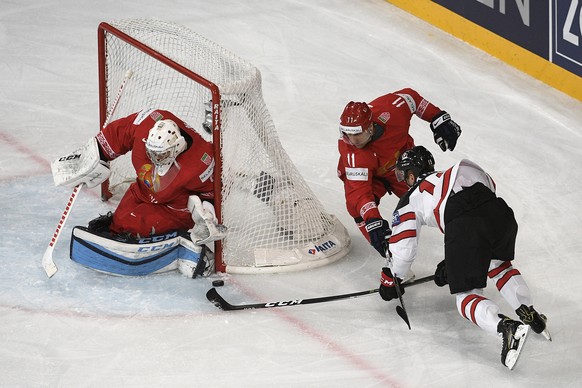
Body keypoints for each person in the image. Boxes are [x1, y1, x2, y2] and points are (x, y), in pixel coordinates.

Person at [378, 146, 550, 370]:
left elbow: (404, 248)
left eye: (404, 175)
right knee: (499, 265)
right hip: (498, 212)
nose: (404, 181)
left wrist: (392, 278)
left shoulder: (410, 199)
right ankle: (530, 313)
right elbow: (486, 191)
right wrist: (456, 260)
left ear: (411, 175)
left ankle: (507, 327)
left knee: (466, 296)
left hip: (465, 223)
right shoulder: (452, 174)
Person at [50, 108, 225, 278]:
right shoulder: (146, 123)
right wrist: (92, 157)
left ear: (177, 147)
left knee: (135, 228)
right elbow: (115, 136)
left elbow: (208, 194)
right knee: (120, 224)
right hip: (141, 192)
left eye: (162, 156)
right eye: (152, 153)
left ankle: (182, 244)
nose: (155, 159)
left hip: (173, 206)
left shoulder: (201, 161)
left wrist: (206, 215)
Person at [337, 88, 461, 258]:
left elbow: (412, 98)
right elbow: (360, 193)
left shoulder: (391, 109)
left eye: (357, 134)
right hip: (370, 177)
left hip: (400, 164)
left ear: (370, 127)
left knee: (432, 198)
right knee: (358, 210)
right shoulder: (352, 153)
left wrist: (437, 117)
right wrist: (373, 220)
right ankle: (393, 260)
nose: (352, 141)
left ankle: (465, 226)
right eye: (348, 134)